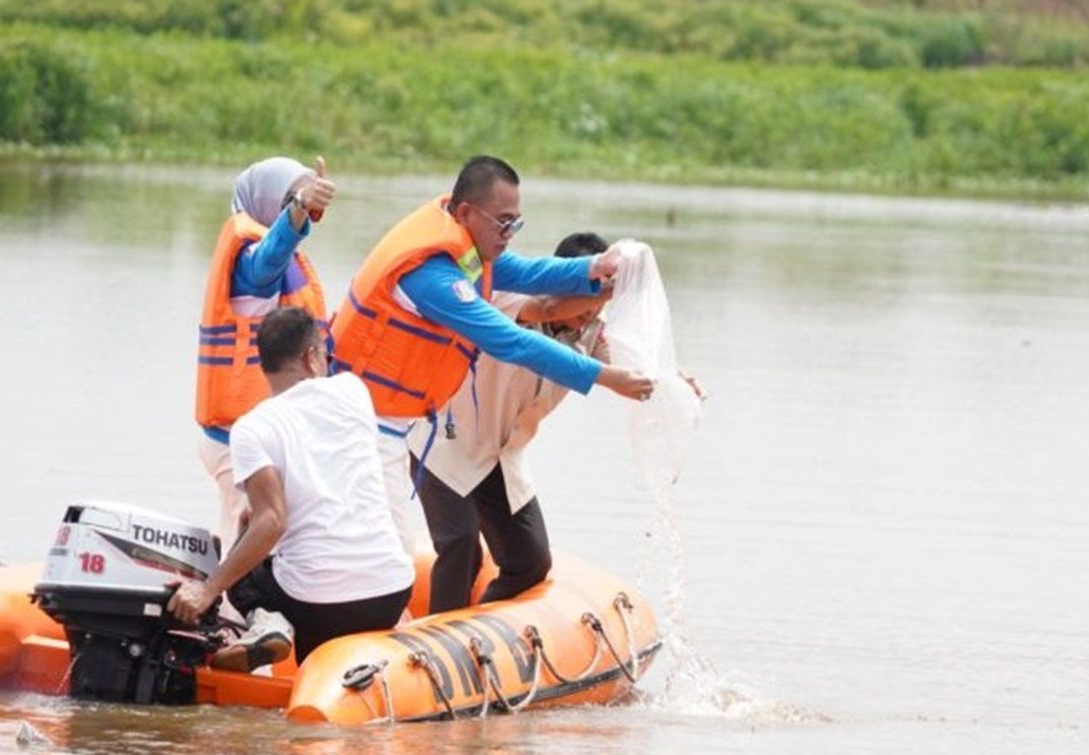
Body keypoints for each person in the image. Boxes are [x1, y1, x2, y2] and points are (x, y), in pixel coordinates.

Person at [329, 156, 655, 552]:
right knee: (387, 556)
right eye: (504, 222)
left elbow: (528, 272)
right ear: (466, 212)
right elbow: (512, 341)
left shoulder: (466, 248)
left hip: (392, 423)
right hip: (361, 424)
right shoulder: (433, 275)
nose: (509, 234)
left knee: (386, 552)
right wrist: (604, 378)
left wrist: (599, 265)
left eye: (516, 222)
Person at [407, 232, 706, 613]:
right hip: (445, 443)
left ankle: (473, 634)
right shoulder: (507, 300)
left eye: (597, 308)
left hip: (501, 457)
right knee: (461, 546)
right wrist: (613, 290)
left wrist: (673, 383)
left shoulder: (593, 329)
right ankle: (439, 648)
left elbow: (630, 368)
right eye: (586, 299)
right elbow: (546, 308)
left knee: (530, 563)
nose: (590, 314)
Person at [170, 307, 415, 669]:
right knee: (261, 531)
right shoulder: (354, 391)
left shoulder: (252, 429)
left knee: (243, 544)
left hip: (317, 606)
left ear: (264, 365)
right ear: (311, 356)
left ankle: (270, 622)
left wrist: (208, 590)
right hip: (390, 593)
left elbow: (271, 522)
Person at [195, 156, 335, 556]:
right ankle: (225, 612)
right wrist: (296, 212)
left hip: (267, 430)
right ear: (267, 201)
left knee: (256, 531)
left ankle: (222, 606)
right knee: (254, 539)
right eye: (293, 199)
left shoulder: (284, 262)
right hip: (237, 435)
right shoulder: (248, 264)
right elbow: (268, 260)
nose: (307, 209)